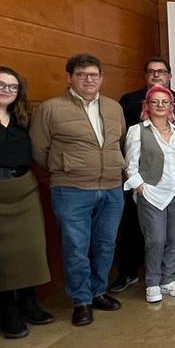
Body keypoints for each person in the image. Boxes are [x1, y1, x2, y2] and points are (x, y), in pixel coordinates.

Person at [31, 53, 126, 327]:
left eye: (94, 75)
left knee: (106, 244)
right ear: (69, 77)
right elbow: (39, 150)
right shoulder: (51, 108)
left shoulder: (112, 108)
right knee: (76, 247)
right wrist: (65, 170)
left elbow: (119, 142)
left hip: (111, 186)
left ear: (101, 78)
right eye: (82, 75)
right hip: (71, 189)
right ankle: (81, 300)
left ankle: (98, 291)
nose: (88, 80)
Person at [0, 66, 53, 337]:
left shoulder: (23, 118)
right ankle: (8, 310)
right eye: (0, 84)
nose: (6, 91)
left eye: (12, 87)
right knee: (0, 255)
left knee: (31, 249)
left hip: (24, 188)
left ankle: (29, 302)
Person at [111, 57, 175, 293]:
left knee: (174, 239)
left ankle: (169, 279)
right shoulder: (137, 130)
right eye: (155, 102)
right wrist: (140, 187)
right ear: (147, 105)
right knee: (155, 240)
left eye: (165, 102)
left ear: (172, 105)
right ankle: (152, 282)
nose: (160, 105)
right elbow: (130, 162)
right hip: (152, 192)